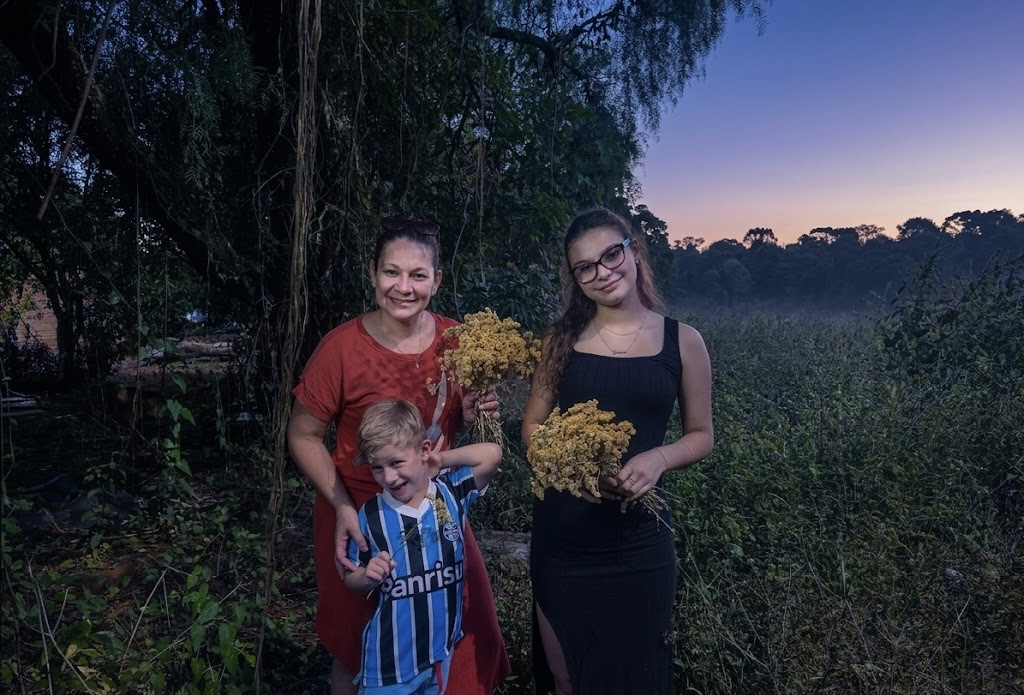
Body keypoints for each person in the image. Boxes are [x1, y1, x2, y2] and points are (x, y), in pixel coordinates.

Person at [287, 217, 511, 695]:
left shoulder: (457, 341)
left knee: (463, 627)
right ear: (372, 273)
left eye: (418, 275)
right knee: (358, 643)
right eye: (391, 272)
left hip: (433, 512)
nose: (403, 287)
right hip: (360, 514)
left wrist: (471, 414)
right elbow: (303, 435)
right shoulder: (341, 349)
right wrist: (342, 506)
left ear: (437, 280)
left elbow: (448, 431)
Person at [521, 207, 714, 695]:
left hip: (641, 541)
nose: (603, 272)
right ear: (575, 278)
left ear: (634, 251)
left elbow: (701, 434)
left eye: (611, 255)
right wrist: (574, 469)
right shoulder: (558, 341)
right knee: (567, 680)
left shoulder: (684, 341)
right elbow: (531, 428)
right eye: (585, 267)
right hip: (565, 536)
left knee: (638, 677)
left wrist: (658, 458)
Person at [344, 399, 503, 695]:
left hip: (438, 659)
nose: (388, 477)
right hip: (389, 667)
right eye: (377, 468)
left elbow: (492, 454)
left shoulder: (450, 494)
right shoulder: (370, 516)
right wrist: (367, 576)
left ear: (423, 450)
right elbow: (350, 576)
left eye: (396, 463)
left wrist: (439, 460)